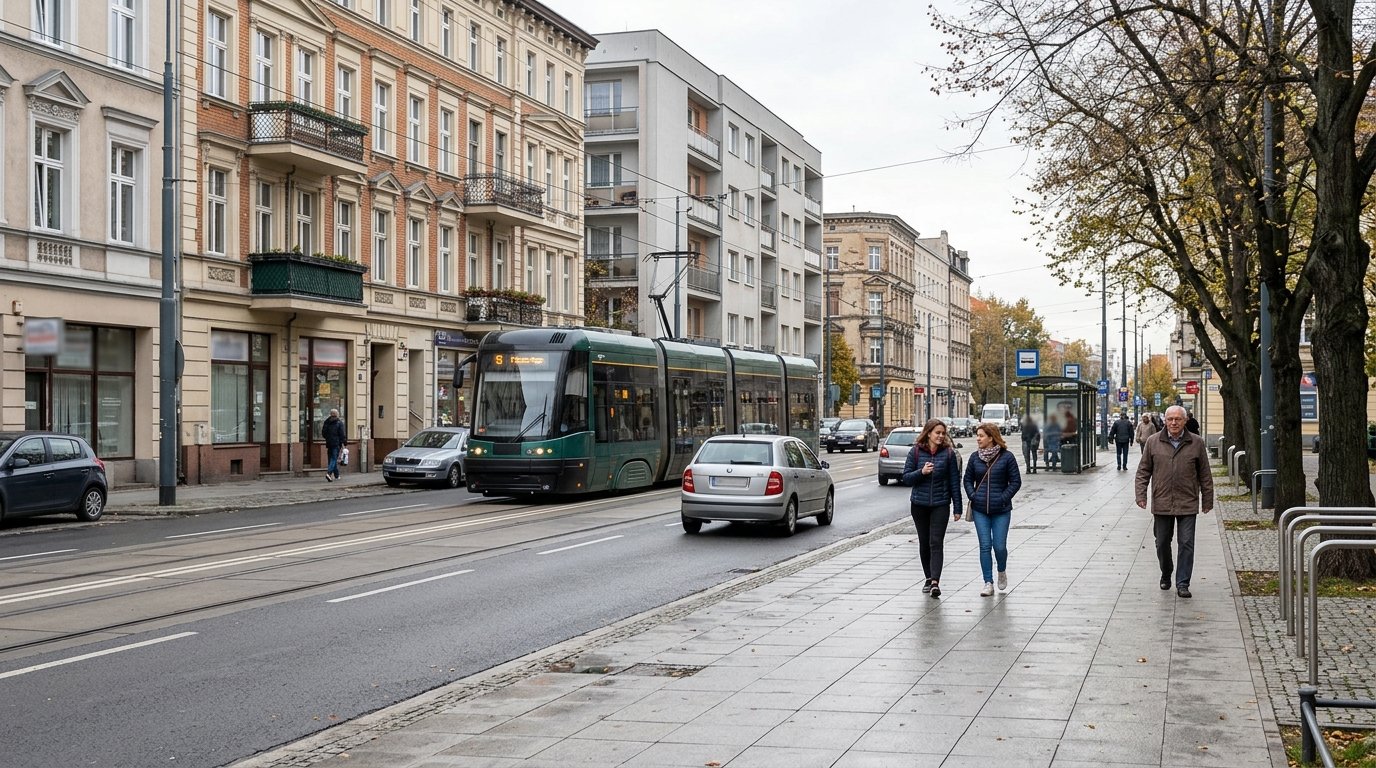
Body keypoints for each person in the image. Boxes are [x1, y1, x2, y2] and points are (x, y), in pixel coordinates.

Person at [1135, 405, 1213, 598]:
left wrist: (1207, 500)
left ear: (1185, 421)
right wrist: (1141, 495)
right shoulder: (1153, 442)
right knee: (1162, 543)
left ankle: (1183, 583)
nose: (1174, 422)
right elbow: (1143, 471)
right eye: (1170, 419)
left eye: (1178, 419)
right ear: (1165, 421)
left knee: (1186, 543)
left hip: (1188, 501)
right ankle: (1166, 572)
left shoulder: (1196, 443)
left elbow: (1205, 474)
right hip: (1162, 502)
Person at [901, 419, 964, 599]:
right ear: (928, 433)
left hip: (940, 504)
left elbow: (954, 482)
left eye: (943, 433)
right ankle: (928, 577)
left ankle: (935, 582)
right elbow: (906, 478)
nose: (941, 436)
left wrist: (957, 508)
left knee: (936, 542)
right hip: (919, 505)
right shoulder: (915, 452)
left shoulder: (949, 454)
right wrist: (921, 472)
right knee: (924, 542)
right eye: (937, 432)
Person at [964, 422, 1023, 596]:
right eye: (977, 435)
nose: (978, 439)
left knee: (999, 546)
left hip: (1001, 510)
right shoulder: (975, 457)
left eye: (981, 436)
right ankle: (988, 582)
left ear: (991, 437)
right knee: (984, 545)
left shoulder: (1007, 457)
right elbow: (967, 480)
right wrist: (973, 495)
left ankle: (1002, 570)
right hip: (980, 509)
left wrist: (1003, 497)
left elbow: (1016, 482)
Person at [322, 408, 347, 482]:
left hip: (329, 443)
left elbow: (323, 433)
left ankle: (336, 475)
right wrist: (344, 442)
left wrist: (328, 438)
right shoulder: (339, 423)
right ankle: (329, 473)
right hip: (336, 443)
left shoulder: (327, 422)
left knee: (332, 459)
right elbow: (342, 434)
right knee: (334, 459)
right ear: (337, 415)